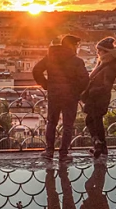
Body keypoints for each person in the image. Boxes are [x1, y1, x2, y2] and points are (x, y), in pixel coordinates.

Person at [32, 35, 89, 163]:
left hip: (54, 94)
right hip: (70, 96)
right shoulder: (77, 61)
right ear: (73, 46)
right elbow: (85, 80)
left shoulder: (50, 57)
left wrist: (47, 85)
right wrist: (76, 91)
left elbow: (36, 70)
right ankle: (63, 153)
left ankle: (49, 151)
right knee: (68, 125)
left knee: (52, 122)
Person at [82, 37, 116, 160]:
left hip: (98, 98)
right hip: (96, 97)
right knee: (94, 120)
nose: (97, 53)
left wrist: (91, 91)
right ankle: (101, 146)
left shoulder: (110, 66)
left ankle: (98, 144)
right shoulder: (105, 63)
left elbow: (106, 86)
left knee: (93, 120)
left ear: (106, 52)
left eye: (99, 51)